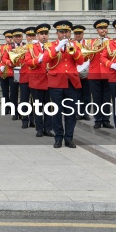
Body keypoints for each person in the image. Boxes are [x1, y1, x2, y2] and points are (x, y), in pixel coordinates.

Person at [45, 20, 84, 148]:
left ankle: (69, 138)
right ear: (57, 33)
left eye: (67, 32)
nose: (64, 34)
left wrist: (72, 50)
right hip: (56, 83)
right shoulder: (50, 45)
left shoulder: (74, 45)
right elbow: (46, 59)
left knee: (70, 112)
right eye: (61, 32)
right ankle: (58, 137)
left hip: (71, 82)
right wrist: (57, 49)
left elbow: (80, 61)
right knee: (57, 112)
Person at [24, 23, 53, 138]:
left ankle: (48, 128)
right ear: (37, 36)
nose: (44, 36)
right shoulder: (31, 48)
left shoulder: (52, 46)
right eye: (41, 34)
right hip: (36, 81)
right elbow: (28, 62)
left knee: (49, 107)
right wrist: (39, 59)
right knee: (38, 106)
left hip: (50, 80)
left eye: (46, 34)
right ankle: (39, 128)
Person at [87, 19, 113, 129]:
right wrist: (94, 48)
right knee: (96, 98)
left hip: (108, 73)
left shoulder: (112, 42)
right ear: (97, 30)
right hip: (95, 73)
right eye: (101, 28)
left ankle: (106, 120)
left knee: (107, 98)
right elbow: (87, 57)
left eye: (105, 28)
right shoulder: (91, 42)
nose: (103, 30)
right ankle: (97, 120)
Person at [72, 25, 91, 121]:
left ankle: (86, 112)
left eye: (79, 33)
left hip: (87, 72)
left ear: (83, 34)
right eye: (76, 33)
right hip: (75, 72)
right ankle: (78, 112)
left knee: (87, 94)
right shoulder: (71, 44)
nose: (78, 35)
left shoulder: (88, 43)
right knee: (77, 94)